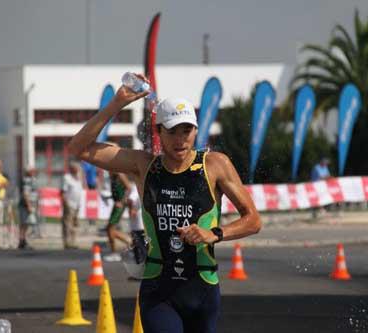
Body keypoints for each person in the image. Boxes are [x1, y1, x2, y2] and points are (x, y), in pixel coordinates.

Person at [68, 74, 261, 333]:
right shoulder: (143, 166)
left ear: (195, 130)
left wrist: (213, 234)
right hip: (159, 291)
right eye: (172, 131)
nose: (180, 139)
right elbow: (78, 148)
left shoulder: (215, 165)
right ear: (158, 132)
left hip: (202, 289)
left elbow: (253, 220)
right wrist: (117, 103)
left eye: (187, 130)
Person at [103, 170, 133, 262]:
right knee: (110, 229)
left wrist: (122, 201)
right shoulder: (111, 174)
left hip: (119, 206)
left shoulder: (119, 174)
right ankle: (131, 242)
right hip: (116, 204)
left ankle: (115, 253)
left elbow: (129, 188)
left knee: (110, 228)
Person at [61, 161, 83, 249]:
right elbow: (63, 192)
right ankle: (67, 242)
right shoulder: (67, 178)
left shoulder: (78, 178)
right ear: (71, 169)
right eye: (76, 168)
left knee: (75, 224)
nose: (78, 170)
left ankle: (73, 242)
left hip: (77, 204)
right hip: (69, 204)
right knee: (67, 224)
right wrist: (66, 204)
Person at [18, 167, 39, 250]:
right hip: (26, 205)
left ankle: (23, 240)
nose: (34, 172)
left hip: (31, 204)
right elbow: (25, 194)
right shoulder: (27, 181)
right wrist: (29, 205)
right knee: (24, 223)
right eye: (33, 171)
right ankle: (22, 240)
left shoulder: (32, 179)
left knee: (26, 224)